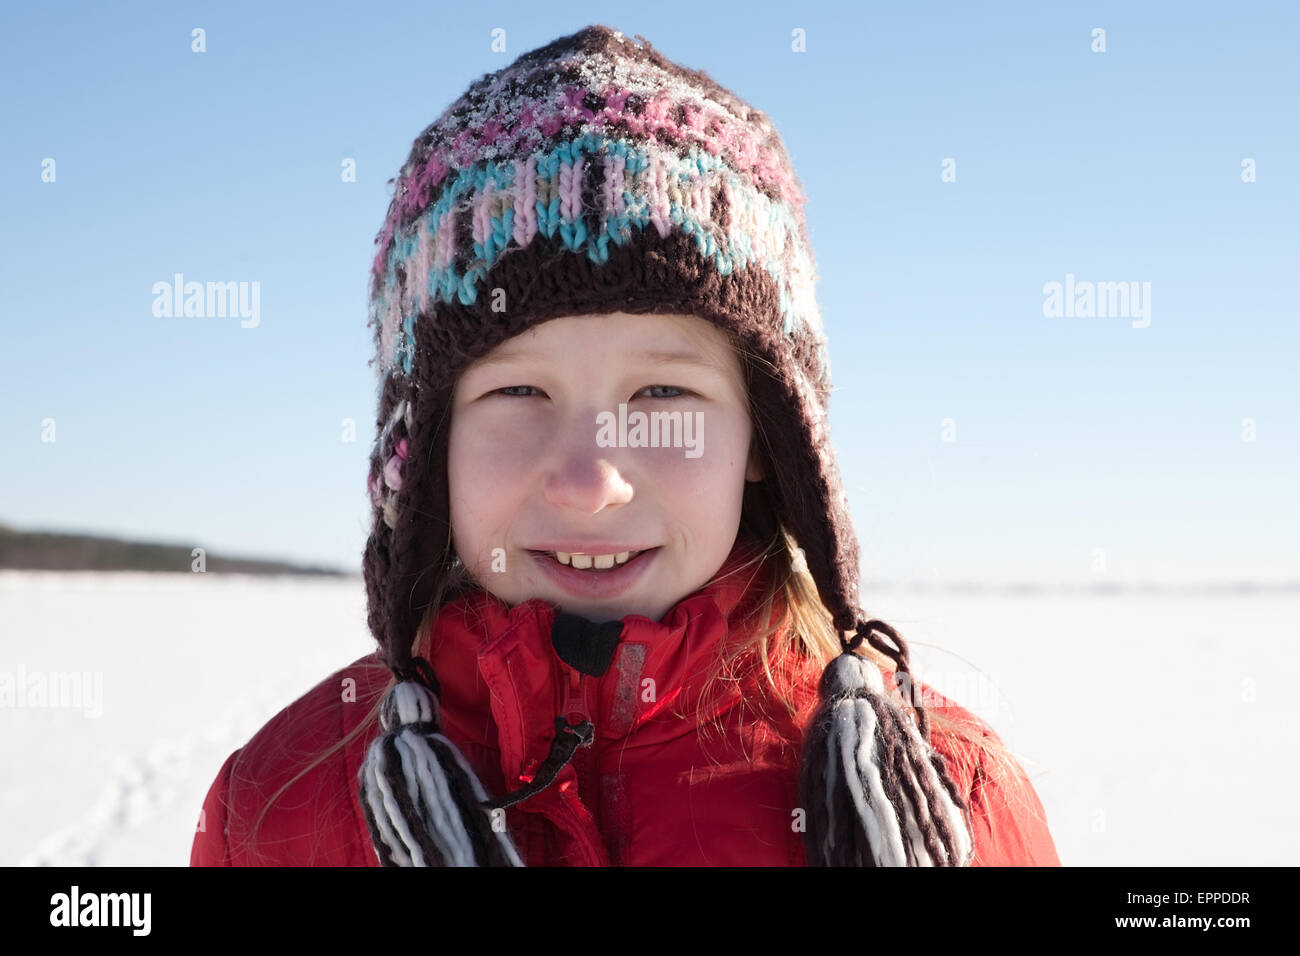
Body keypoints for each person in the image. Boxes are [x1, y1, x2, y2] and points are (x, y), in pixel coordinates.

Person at [191, 23, 1060, 867]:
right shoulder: (279, 807)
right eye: (518, 391)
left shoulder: (950, 806)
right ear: (424, 451)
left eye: (662, 393)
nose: (588, 481)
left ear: (767, 435)